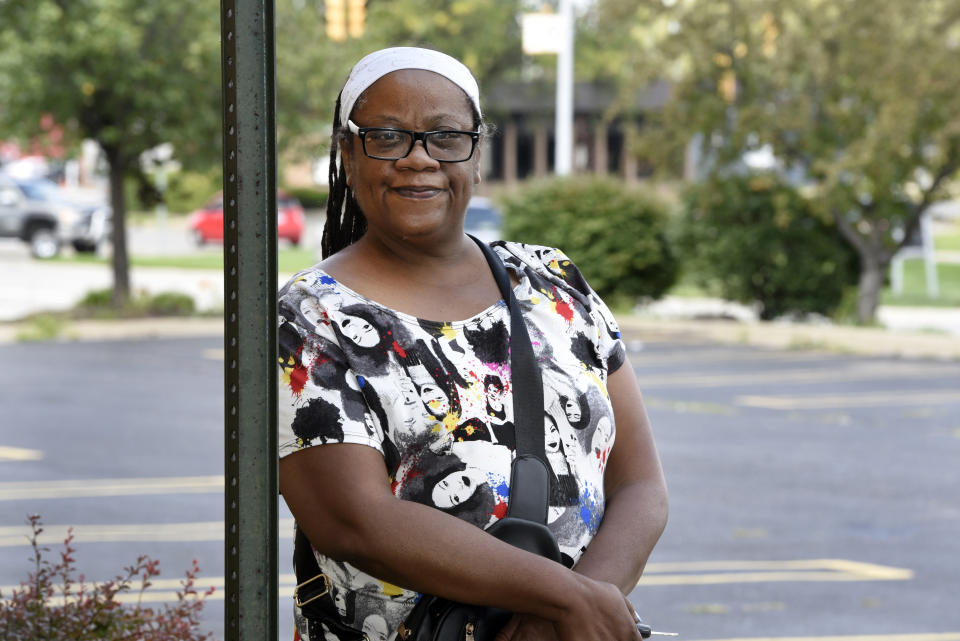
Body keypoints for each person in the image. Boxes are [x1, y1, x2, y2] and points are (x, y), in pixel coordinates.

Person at [277, 46, 668, 641]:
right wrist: (563, 600)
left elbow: (640, 484)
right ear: (347, 155)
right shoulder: (311, 316)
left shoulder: (554, 284)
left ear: (476, 154)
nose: (418, 159)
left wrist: (580, 611)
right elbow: (354, 521)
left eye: (445, 136)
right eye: (386, 136)